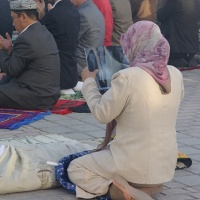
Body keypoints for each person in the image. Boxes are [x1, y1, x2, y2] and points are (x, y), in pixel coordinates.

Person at [67, 21, 184, 199]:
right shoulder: (175, 74)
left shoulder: (128, 77)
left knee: (75, 167)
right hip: (164, 167)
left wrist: (89, 81)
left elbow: (101, 113)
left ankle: (119, 192)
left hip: (132, 164)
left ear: (134, 44)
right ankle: (145, 188)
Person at [0, 0, 60, 110]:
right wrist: (9, 49)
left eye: (13, 19)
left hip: (37, 96)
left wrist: (1, 50)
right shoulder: (42, 30)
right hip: (48, 94)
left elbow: (11, 70)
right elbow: (21, 62)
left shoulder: (26, 38)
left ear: (23, 17)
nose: (13, 24)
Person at [35, 0, 80, 94]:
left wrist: (42, 14)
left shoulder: (53, 14)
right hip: (71, 71)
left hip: (59, 75)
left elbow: (34, 35)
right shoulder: (73, 9)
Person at [157, 0, 200, 68]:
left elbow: (160, 16)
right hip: (192, 46)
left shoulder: (174, 1)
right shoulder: (196, 1)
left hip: (176, 46)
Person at [70, 0, 105, 77]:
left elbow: (69, 39)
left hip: (81, 69)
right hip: (93, 66)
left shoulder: (83, 14)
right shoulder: (94, 10)